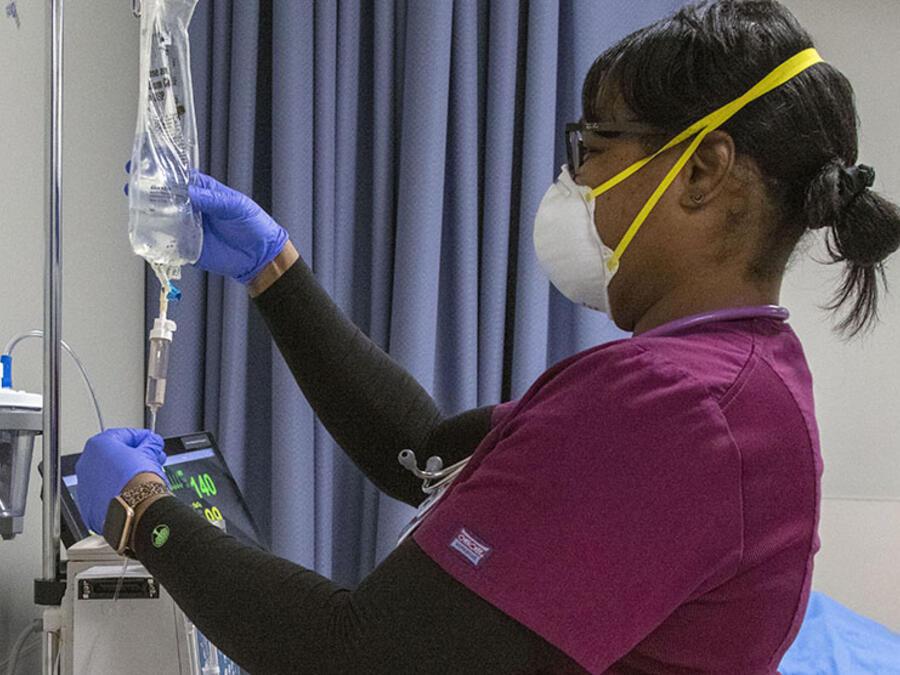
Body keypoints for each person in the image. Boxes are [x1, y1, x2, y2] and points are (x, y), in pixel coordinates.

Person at [75, 1, 900, 673]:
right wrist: (274, 267)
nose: (574, 182)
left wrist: (142, 513)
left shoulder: (684, 410)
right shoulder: (731, 375)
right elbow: (425, 452)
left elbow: (355, 658)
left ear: (703, 169)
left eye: (594, 146)